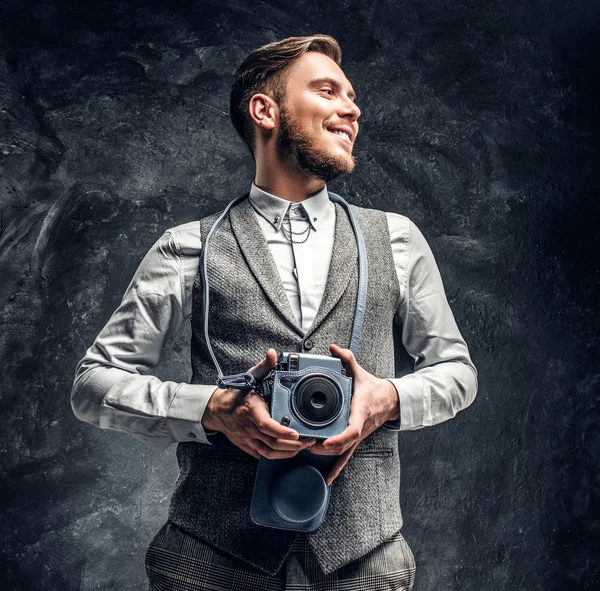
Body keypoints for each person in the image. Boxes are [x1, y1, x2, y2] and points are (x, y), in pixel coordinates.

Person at [71, 34, 478, 591]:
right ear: (266, 110)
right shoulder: (185, 248)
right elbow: (92, 385)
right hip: (207, 560)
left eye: (353, 97)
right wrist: (212, 410)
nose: (352, 108)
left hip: (366, 560)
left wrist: (386, 398)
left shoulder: (398, 240)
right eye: (327, 90)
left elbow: (458, 373)